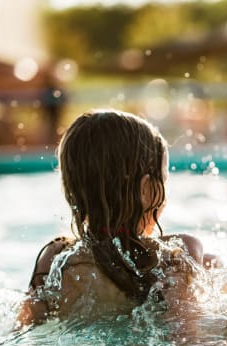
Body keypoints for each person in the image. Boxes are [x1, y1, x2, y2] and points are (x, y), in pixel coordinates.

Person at [17, 109, 208, 327]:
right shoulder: (175, 253)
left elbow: (23, 330)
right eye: (164, 179)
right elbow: (186, 340)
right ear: (147, 190)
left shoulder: (55, 258)